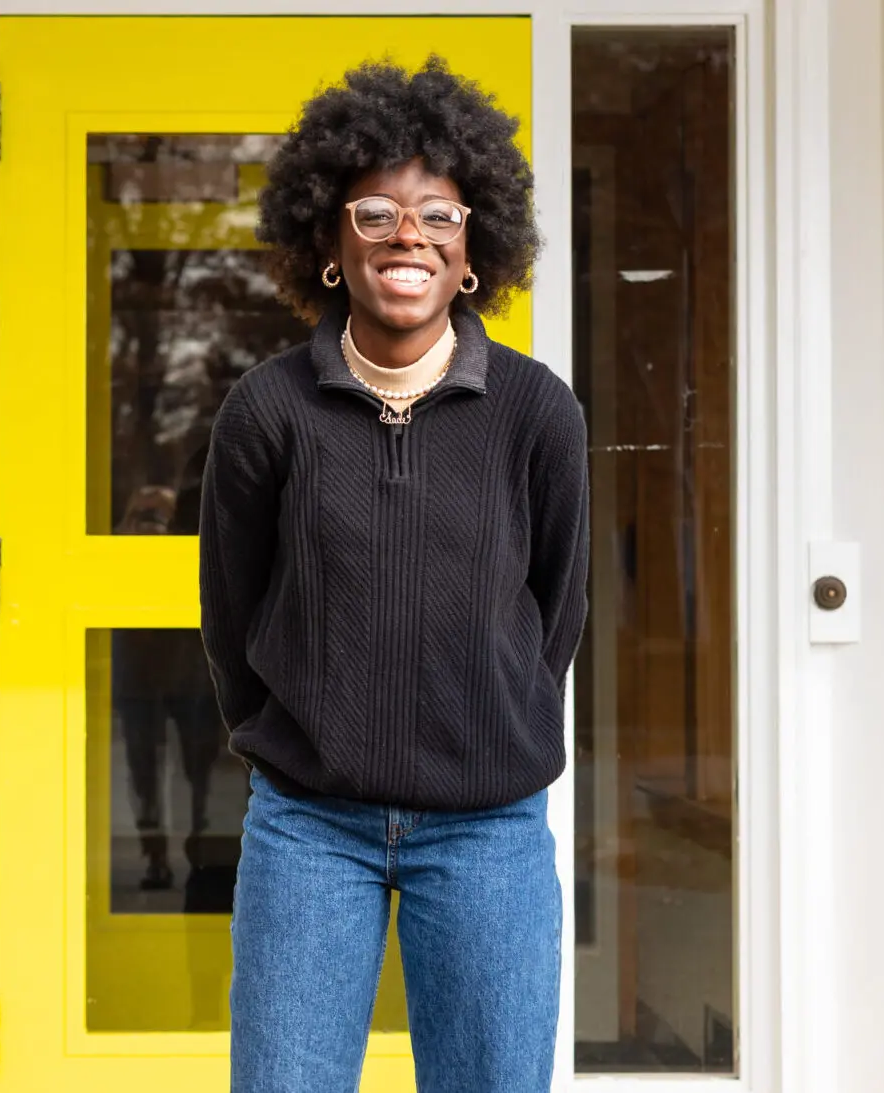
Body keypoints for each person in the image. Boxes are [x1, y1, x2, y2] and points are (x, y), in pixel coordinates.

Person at [199, 57, 589, 1093]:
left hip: (489, 829)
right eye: (374, 212)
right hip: (309, 825)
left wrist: (485, 721)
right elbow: (233, 615)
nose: (407, 235)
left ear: (474, 251)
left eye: (439, 215)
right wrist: (301, 737)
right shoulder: (268, 412)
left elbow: (556, 612)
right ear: (328, 241)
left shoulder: (537, 412)